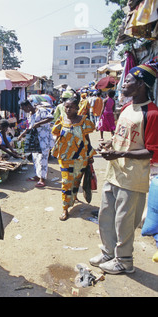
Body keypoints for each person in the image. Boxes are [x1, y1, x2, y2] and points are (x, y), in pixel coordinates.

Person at [89, 57, 158, 274]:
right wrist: (110, 143)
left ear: (141, 84)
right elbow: (123, 135)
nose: (123, 85)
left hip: (133, 178)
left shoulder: (153, 113)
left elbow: (151, 151)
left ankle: (124, 261)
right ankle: (108, 252)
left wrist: (120, 152)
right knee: (106, 215)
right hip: (114, 172)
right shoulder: (128, 107)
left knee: (124, 221)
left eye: (127, 81)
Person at [51, 97, 96, 221]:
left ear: (77, 108)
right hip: (65, 157)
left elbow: (86, 138)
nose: (68, 109)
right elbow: (57, 136)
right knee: (66, 182)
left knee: (77, 179)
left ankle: (74, 196)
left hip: (81, 157)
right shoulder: (61, 120)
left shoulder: (83, 121)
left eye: (71, 107)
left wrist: (90, 155)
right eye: (66, 106)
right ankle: (65, 208)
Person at [19, 100, 54, 188]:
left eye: (24, 108)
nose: (24, 111)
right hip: (34, 139)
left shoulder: (41, 110)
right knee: (35, 158)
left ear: (28, 106)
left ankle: (42, 179)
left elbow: (50, 118)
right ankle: (37, 175)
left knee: (42, 159)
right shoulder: (29, 114)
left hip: (43, 139)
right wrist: (22, 135)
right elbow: (28, 126)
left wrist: (38, 123)